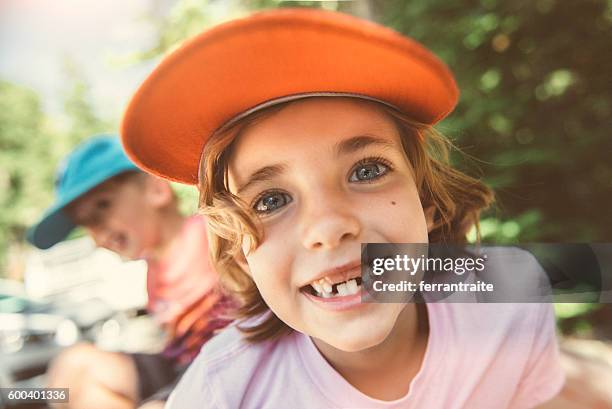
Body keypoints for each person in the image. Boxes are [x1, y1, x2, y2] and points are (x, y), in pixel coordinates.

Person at [120, 8, 565, 408]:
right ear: (243, 256)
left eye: (367, 171)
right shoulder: (219, 396)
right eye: (271, 201)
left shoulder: (514, 299)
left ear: (426, 202)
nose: (329, 226)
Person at [27, 135, 234, 409]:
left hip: (229, 357)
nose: (97, 235)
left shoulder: (211, 235)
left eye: (102, 207)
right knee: (73, 367)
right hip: (181, 364)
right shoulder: (153, 269)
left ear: (156, 189)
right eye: (85, 225)